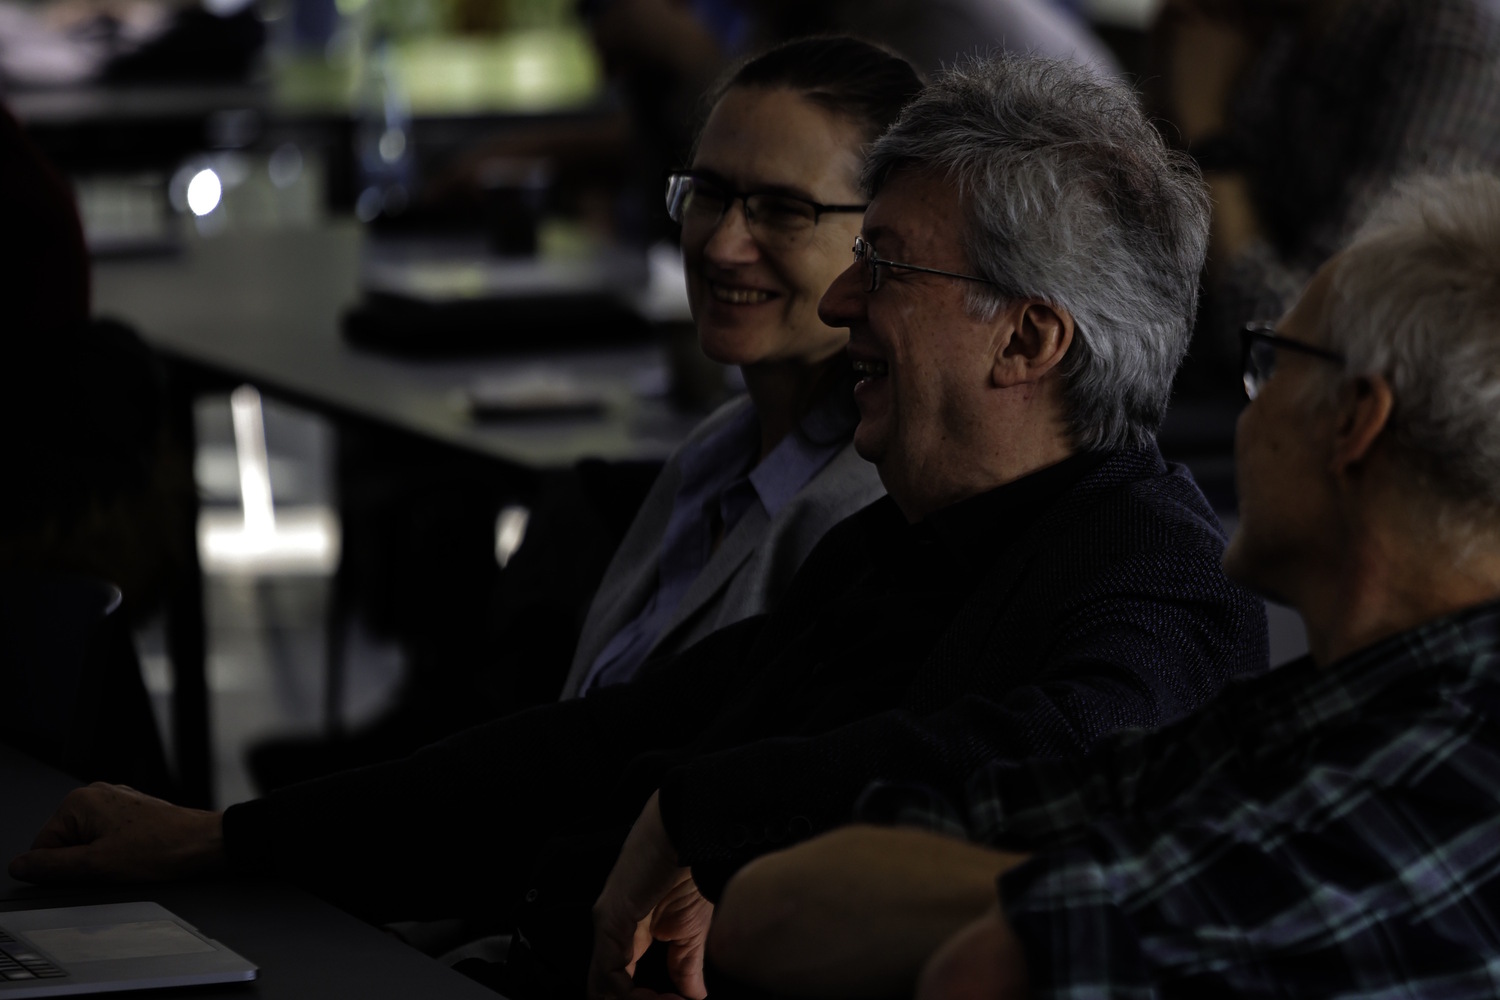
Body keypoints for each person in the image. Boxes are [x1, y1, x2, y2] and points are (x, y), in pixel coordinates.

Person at [10, 54, 1269, 1000]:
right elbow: (600, 743)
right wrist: (227, 835)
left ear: (1029, 338)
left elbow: (1072, 757)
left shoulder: (1157, 573)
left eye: (884, 265)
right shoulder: (903, 540)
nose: (841, 301)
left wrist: (697, 809)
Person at [706, 171, 1500, 999]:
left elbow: (986, 973)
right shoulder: (1300, 719)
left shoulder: (1459, 780)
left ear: (1353, 422)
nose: (1249, 414)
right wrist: (1120, 882)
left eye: (1272, 368)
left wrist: (1089, 892)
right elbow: (773, 908)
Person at [249, 36, 908, 787]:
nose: (724, 245)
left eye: (784, 210)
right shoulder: (715, 456)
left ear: (884, 240)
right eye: (709, 193)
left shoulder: (865, 520)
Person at [1151, 0, 1500, 381]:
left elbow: (1305, 346)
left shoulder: (1449, 47)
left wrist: (1207, 132)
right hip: (1210, 365)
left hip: (1323, 395)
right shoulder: (1275, 30)